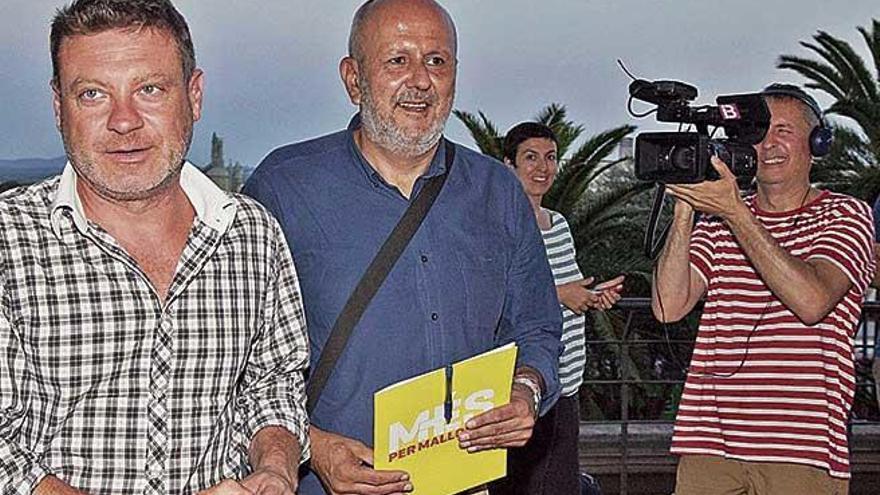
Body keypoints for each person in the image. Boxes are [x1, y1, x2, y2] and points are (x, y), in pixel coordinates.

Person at [242, 1, 563, 493]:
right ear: (353, 80)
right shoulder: (285, 188)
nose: (420, 80)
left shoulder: (497, 192)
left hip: (464, 483)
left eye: (436, 61)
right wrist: (310, 445)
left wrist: (527, 389)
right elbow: (233, 355)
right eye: (397, 61)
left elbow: (538, 325)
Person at [0, 1, 309, 493]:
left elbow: (273, 386)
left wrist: (274, 468)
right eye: (93, 94)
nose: (124, 120)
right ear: (60, 108)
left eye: (149, 89)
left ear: (194, 95)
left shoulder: (254, 236)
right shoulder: (8, 243)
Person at [652, 83, 875, 495]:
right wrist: (685, 206)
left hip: (801, 448)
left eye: (784, 132)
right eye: (757, 132)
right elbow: (668, 305)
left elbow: (812, 301)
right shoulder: (717, 221)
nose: (767, 144)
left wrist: (735, 211)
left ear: (818, 143)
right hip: (708, 442)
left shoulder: (845, 214)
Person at [493, 122, 624, 494]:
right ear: (508, 165)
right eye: (530, 157)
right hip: (521, 388)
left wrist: (593, 296)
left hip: (566, 385)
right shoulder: (498, 228)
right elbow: (495, 299)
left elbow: (567, 290)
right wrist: (561, 295)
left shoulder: (560, 224)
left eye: (550, 158)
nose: (542, 168)